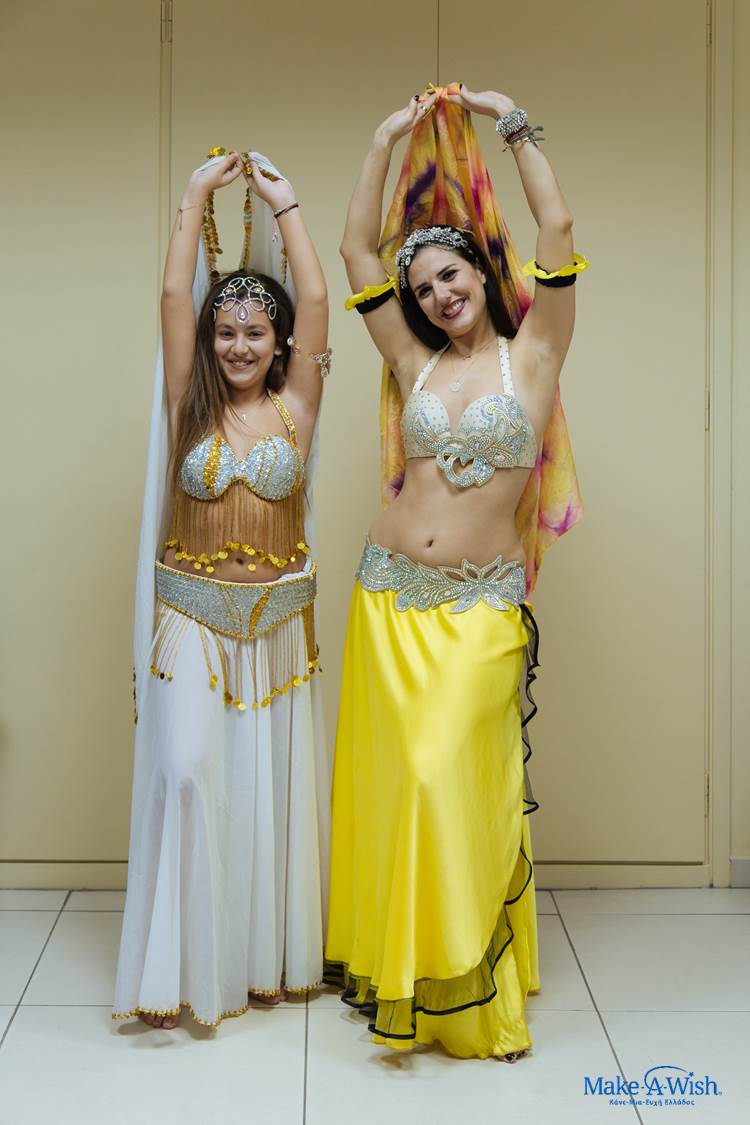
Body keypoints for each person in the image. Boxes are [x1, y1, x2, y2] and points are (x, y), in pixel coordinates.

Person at [324, 86, 586, 1060]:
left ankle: (471, 991)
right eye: (424, 285)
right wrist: (384, 139)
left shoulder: (536, 357)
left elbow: (557, 229)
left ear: (481, 270)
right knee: (400, 784)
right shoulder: (413, 363)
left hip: (480, 605)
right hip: (388, 596)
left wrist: (511, 122)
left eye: (451, 274)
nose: (439, 294)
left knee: (450, 776)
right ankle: (401, 970)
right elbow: (357, 251)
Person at [113, 148, 331, 1029]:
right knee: (186, 771)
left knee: (261, 794)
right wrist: (194, 195)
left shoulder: (298, 405)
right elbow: (174, 295)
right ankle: (176, 974)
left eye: (255, 332)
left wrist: (287, 208)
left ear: (280, 343)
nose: (239, 345)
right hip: (192, 612)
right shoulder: (186, 404)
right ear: (208, 341)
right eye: (225, 332)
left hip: (277, 623)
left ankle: (254, 964)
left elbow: (318, 298)